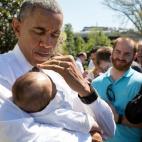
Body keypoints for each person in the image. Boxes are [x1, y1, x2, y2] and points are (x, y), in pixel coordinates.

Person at [0, 0, 115, 142]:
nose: (47, 43)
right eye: (39, 31)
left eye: (54, 34)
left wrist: (86, 92)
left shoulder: (60, 74)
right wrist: (90, 137)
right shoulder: (2, 70)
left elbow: (109, 130)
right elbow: (17, 135)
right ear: (17, 27)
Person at [12, 70, 102, 138]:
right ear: (50, 99)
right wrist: (95, 126)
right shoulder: (59, 114)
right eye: (53, 86)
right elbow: (86, 123)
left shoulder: (26, 112)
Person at [91, 37, 142, 142]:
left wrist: (118, 118)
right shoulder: (96, 83)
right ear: (112, 52)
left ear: (134, 56)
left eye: (127, 54)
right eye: (118, 52)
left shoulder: (140, 82)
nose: (121, 57)